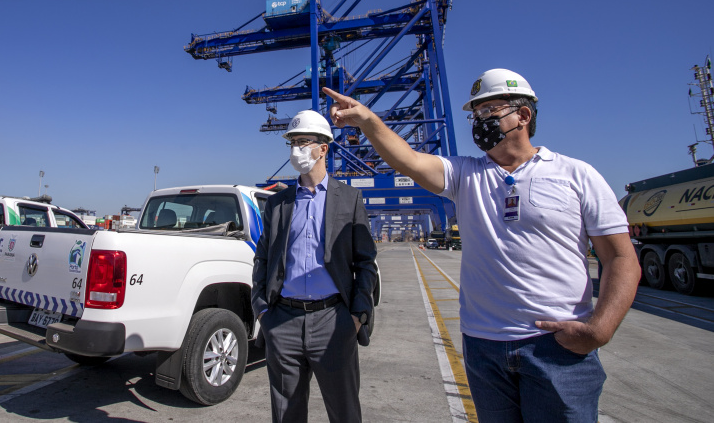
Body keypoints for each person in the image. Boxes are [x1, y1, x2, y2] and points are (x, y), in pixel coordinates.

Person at [323, 69, 641, 423]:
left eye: (489, 110)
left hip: (557, 348)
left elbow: (621, 257)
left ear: (523, 115)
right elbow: (408, 159)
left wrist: (599, 330)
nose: (479, 120)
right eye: (475, 114)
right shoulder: (466, 175)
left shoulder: (576, 175)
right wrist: (367, 120)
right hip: (483, 347)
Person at [252, 109, 378, 423]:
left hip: (334, 321)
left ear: (323, 148)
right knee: (286, 415)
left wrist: (357, 317)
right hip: (283, 321)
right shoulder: (278, 203)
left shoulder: (349, 198)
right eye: (292, 142)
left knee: (344, 412)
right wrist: (263, 311)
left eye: (302, 141)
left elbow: (366, 263)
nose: (295, 149)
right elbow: (263, 258)